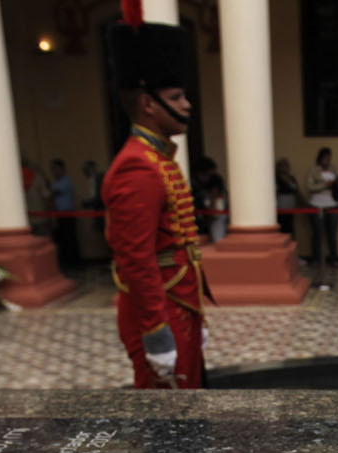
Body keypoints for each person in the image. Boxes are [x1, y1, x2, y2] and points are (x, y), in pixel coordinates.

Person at [102, 12, 208, 389]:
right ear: (148, 103)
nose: (187, 105)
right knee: (168, 423)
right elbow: (136, 258)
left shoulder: (156, 158)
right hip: (160, 310)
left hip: (179, 303)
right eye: (177, 97)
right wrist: (156, 330)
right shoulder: (137, 167)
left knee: (188, 412)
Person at [305, 147, 338, 267]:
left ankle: (334, 258)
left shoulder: (334, 170)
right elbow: (310, 187)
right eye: (325, 157)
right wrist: (324, 185)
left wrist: (336, 183)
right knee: (318, 232)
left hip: (333, 204)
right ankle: (316, 259)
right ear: (320, 158)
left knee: (332, 233)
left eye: (329, 157)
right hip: (317, 205)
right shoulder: (313, 170)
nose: (327, 160)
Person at [49, 158, 80, 268]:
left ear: (62, 169)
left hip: (67, 214)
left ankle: (74, 263)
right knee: (62, 240)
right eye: (52, 169)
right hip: (59, 215)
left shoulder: (66, 181)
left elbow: (52, 193)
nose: (54, 172)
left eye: (56, 169)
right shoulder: (55, 182)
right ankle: (66, 263)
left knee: (70, 239)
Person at [192, 156, 227, 242]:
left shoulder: (216, 180)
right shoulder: (193, 183)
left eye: (209, 174)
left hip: (214, 213)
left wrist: (212, 204)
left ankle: (218, 242)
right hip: (197, 216)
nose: (207, 177)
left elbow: (218, 200)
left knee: (218, 219)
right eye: (204, 174)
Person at [275, 157, 302, 238]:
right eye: (283, 165)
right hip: (280, 210)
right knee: (282, 231)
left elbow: (297, 191)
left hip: (291, 209)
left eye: (287, 165)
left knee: (290, 230)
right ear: (279, 167)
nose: (286, 167)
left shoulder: (292, 178)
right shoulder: (275, 179)